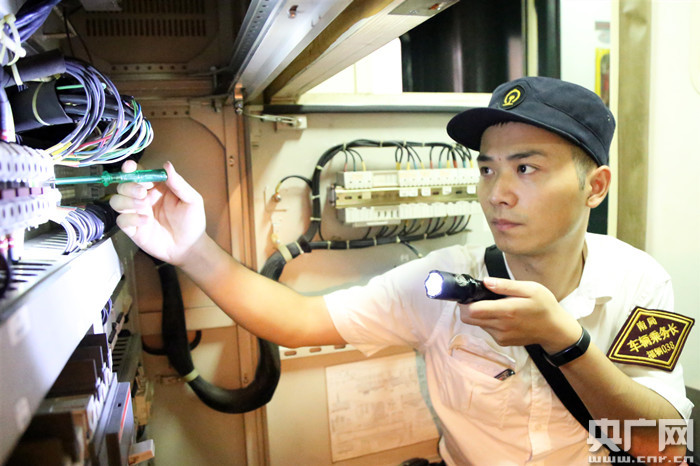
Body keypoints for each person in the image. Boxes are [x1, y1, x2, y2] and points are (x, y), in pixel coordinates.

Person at [110, 76, 693, 464]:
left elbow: (664, 447)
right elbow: (298, 321)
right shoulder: (444, 280)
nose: (497, 194)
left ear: (595, 186)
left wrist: (566, 342)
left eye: (526, 169)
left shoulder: (641, 283)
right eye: (487, 169)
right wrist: (192, 249)